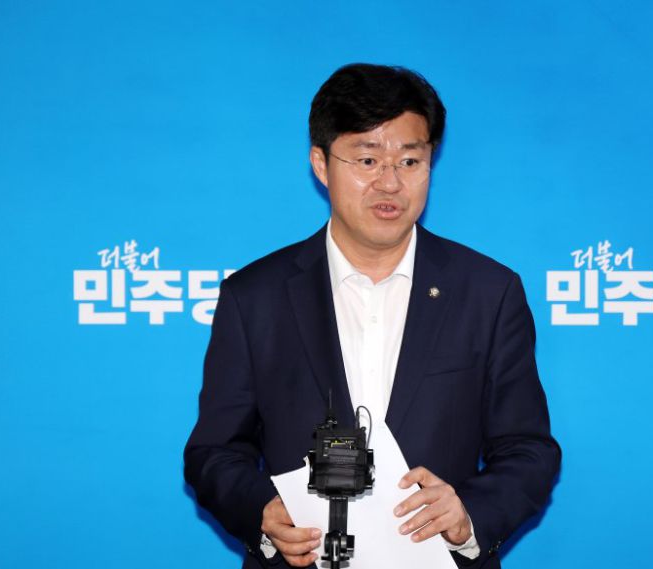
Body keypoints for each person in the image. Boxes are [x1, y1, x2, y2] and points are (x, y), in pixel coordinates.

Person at [184, 63, 561, 569]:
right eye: (367, 160)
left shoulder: (488, 292)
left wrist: (468, 514)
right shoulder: (255, 297)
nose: (390, 183)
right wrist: (262, 511)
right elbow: (213, 451)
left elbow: (528, 449)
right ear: (321, 164)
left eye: (410, 161)